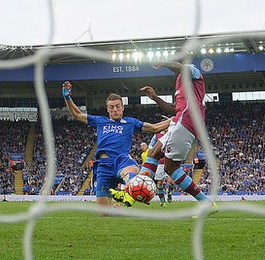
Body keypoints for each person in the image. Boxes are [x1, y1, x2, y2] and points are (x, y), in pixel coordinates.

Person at [62, 81, 171, 212]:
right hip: (103, 165)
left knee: (132, 170)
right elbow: (77, 115)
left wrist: (175, 119)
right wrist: (67, 97)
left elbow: (154, 128)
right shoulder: (100, 121)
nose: (115, 109)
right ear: (107, 109)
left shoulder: (130, 122)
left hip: (121, 160)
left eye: (118, 106)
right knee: (105, 213)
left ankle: (127, 192)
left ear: (122, 107)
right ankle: (119, 204)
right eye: (112, 107)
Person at [137, 60, 215, 208]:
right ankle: (132, 190)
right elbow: (174, 109)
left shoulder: (193, 72)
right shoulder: (179, 82)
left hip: (186, 122)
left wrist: (163, 62)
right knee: (153, 154)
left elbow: (181, 68)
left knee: (170, 168)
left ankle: (206, 203)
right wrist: (155, 97)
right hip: (179, 120)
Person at [148, 130, 175, 206]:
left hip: (170, 161)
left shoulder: (172, 134)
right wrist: (156, 149)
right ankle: (162, 201)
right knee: (160, 183)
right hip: (160, 163)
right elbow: (150, 145)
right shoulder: (156, 135)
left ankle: (169, 193)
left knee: (171, 182)